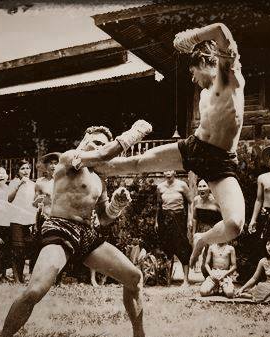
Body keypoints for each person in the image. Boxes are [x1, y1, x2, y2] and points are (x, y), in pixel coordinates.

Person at [93, 23, 246, 268]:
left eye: (193, 71)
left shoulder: (229, 79)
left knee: (234, 225)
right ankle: (94, 165)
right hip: (196, 147)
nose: (193, 78)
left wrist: (190, 38)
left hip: (221, 161)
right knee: (138, 162)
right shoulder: (206, 92)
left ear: (207, 62)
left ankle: (202, 239)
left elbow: (221, 31)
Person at [0, 121, 152, 337]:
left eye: (102, 143)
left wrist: (117, 206)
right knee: (35, 290)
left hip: (86, 235)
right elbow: (105, 153)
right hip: (59, 228)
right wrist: (135, 132)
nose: (98, 146)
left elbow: (104, 218)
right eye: (94, 141)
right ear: (83, 141)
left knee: (134, 277)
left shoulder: (100, 178)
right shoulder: (71, 158)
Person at [155, 170, 193, 286]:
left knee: (182, 247)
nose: (167, 172)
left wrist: (190, 219)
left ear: (175, 172)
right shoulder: (160, 187)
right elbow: (158, 206)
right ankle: (168, 279)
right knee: (167, 247)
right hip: (165, 220)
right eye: (165, 170)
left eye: (170, 170)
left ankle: (185, 280)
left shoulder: (182, 185)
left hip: (179, 218)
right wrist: (156, 221)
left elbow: (191, 202)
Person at [8, 159, 37, 283]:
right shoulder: (13, 182)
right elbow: (9, 199)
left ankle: (30, 276)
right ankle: (17, 278)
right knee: (18, 250)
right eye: (22, 169)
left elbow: (35, 203)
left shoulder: (33, 184)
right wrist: (19, 184)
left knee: (30, 248)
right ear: (18, 171)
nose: (25, 171)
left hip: (30, 219)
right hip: (17, 219)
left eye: (27, 168)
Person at [192, 179, 222, 278]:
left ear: (209, 188)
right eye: (199, 186)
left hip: (215, 230)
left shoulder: (216, 201)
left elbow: (224, 218)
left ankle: (216, 278)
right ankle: (206, 277)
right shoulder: (196, 200)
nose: (201, 188)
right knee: (203, 257)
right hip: (201, 230)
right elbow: (195, 218)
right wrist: (193, 233)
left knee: (214, 255)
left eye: (204, 186)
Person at [33, 152, 60, 236]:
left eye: (56, 163)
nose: (53, 166)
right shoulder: (40, 182)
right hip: (44, 218)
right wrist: (38, 201)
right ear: (46, 166)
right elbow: (35, 204)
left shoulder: (63, 181)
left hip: (60, 218)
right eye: (50, 163)